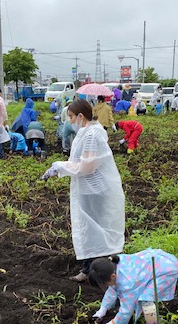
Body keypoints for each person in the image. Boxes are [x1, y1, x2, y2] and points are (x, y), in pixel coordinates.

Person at [40, 98, 125, 282]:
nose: (69, 120)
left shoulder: (93, 134)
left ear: (80, 116)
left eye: (71, 116)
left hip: (96, 191)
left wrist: (59, 166)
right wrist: (60, 167)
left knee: (94, 231)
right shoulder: (87, 132)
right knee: (90, 230)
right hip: (89, 189)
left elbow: (87, 167)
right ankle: (91, 270)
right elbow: (80, 162)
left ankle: (98, 272)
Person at [89, 249, 178, 324]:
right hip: (155, 262)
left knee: (146, 300)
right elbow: (112, 290)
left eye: (105, 284)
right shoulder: (113, 265)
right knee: (144, 297)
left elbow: (127, 309)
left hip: (166, 271)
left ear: (113, 276)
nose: (105, 286)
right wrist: (102, 310)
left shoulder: (127, 283)